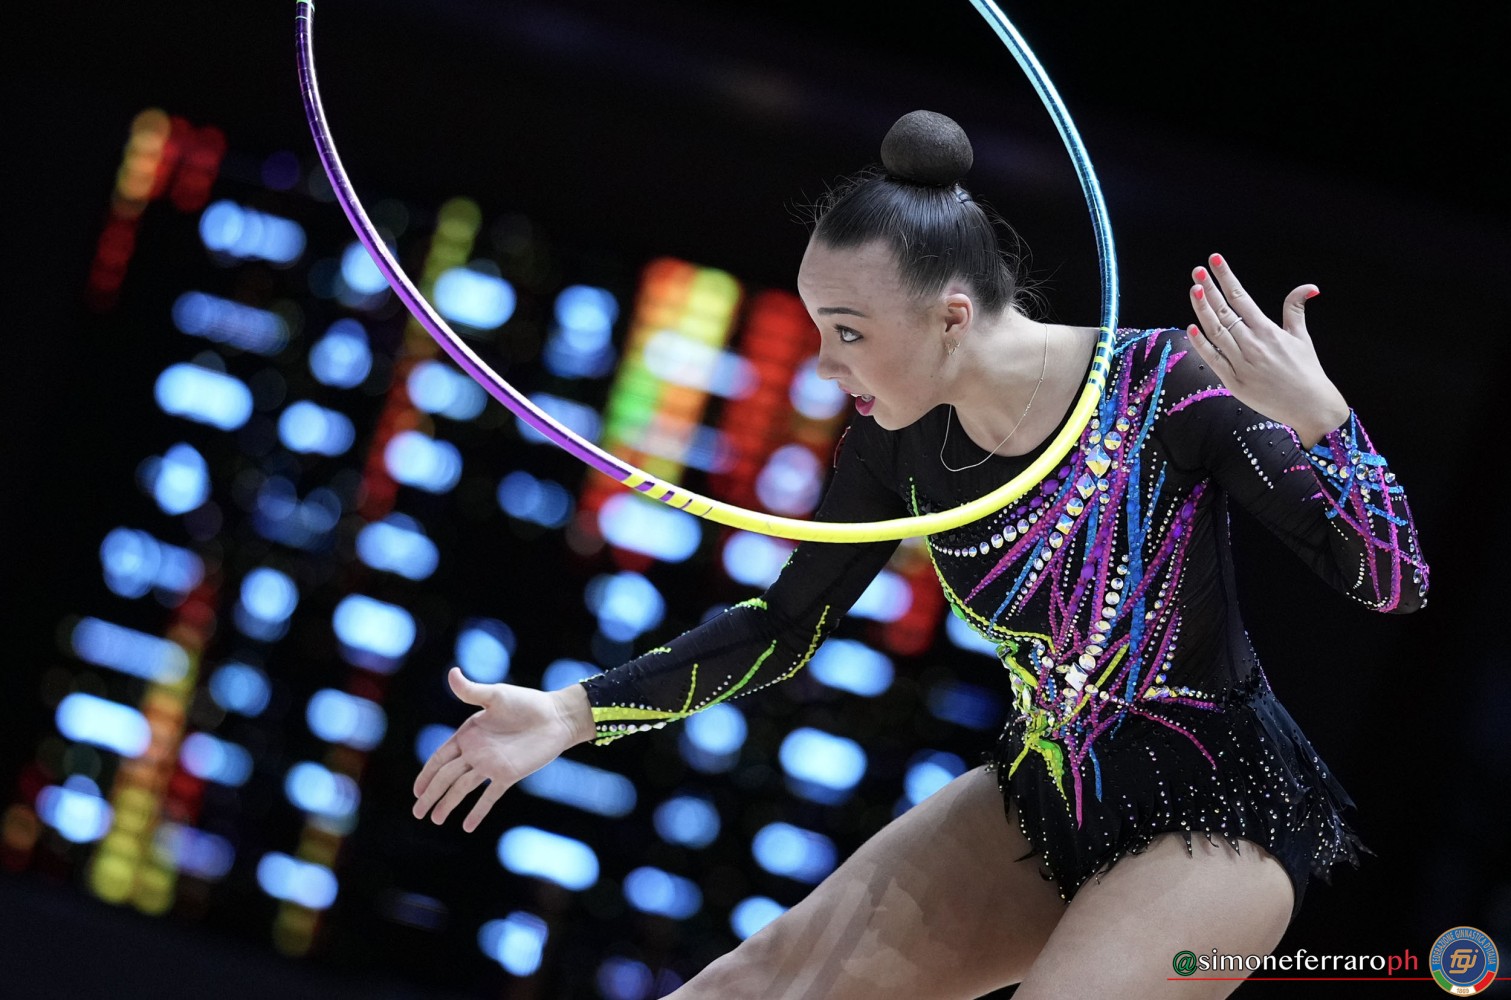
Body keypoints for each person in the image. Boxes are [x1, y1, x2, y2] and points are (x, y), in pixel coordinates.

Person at [412, 111, 1428, 998]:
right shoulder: (891, 445)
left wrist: (1322, 419)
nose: (824, 365)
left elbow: (1394, 581)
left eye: (847, 332)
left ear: (950, 315)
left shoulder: (1165, 384)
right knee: (752, 985)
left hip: (1215, 816)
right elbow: (784, 625)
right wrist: (573, 712)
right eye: (818, 328)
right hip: (1044, 794)